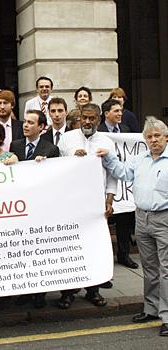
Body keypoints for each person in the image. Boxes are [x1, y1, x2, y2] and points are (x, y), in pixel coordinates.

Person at [97, 116, 168, 337]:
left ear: (166, 137)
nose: (154, 140)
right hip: (142, 218)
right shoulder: (140, 159)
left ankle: (167, 316)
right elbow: (122, 173)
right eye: (150, 136)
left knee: (166, 270)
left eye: (158, 136)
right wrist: (108, 157)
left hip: (164, 218)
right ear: (145, 139)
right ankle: (151, 309)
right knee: (150, 268)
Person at [57, 103, 118, 308]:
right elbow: (56, 169)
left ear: (99, 120)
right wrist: (73, 159)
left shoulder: (107, 141)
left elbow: (112, 174)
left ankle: (93, 291)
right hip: (70, 202)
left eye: (92, 118)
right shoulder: (67, 139)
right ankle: (67, 293)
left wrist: (109, 199)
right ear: (79, 118)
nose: (88, 122)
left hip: (96, 204)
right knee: (70, 247)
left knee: (94, 247)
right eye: (85, 118)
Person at [9, 110, 59, 309]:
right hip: (21, 207)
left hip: (41, 208)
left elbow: (54, 177)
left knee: (39, 253)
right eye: (25, 122)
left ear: (41, 127)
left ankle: (40, 294)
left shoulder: (51, 149)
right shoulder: (16, 145)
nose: (26, 125)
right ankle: (25, 292)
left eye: (31, 122)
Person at [99, 99, 137, 269]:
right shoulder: (98, 132)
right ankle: (104, 259)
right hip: (103, 181)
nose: (120, 114)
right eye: (116, 111)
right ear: (106, 114)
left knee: (124, 220)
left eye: (121, 111)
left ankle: (124, 254)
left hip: (122, 183)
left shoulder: (126, 131)